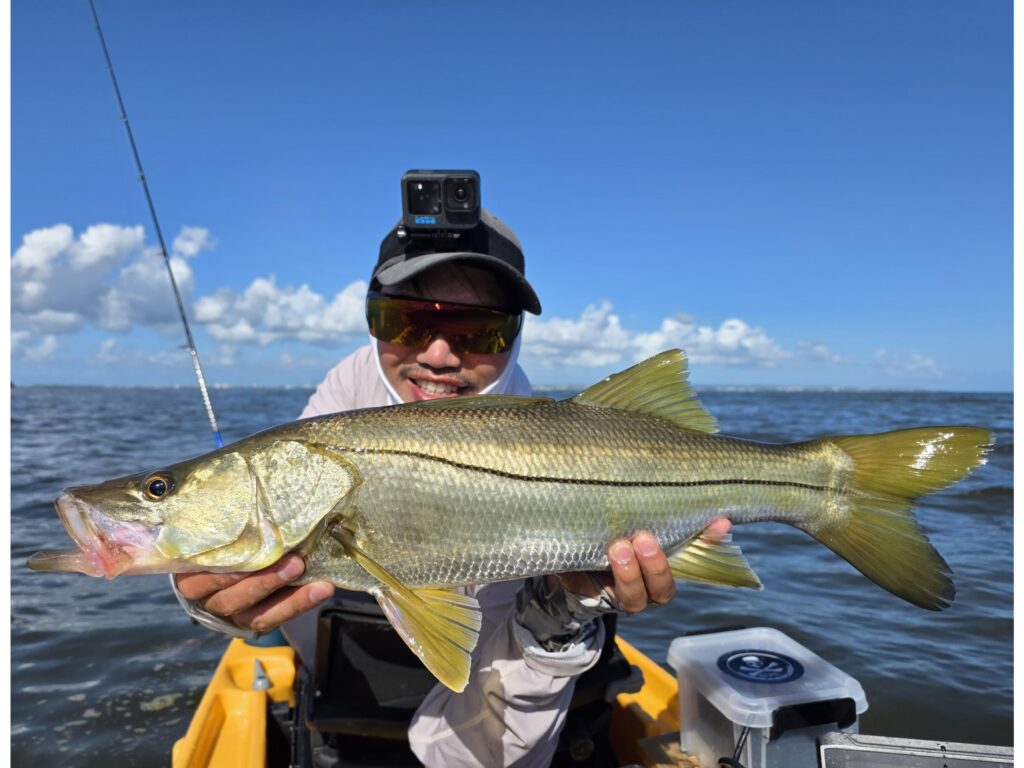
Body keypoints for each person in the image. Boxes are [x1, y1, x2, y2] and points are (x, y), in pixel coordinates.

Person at [173, 209, 730, 766]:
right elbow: (260, 513)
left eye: (479, 330)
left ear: (515, 335)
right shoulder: (341, 398)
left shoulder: (550, 427)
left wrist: (564, 609)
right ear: (372, 320)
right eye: (404, 321)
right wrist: (209, 600)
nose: (438, 356)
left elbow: (493, 746)